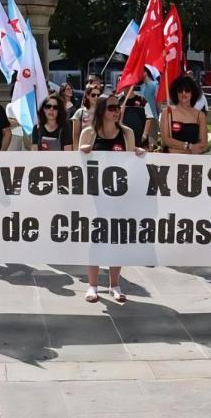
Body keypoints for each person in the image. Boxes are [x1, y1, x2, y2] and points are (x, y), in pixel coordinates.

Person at [78, 93, 147, 303]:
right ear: (101, 111)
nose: (116, 111)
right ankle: (92, 286)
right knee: (96, 240)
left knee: (117, 240)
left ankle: (114, 285)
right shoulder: (89, 133)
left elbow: (130, 164)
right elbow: (78, 166)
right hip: (95, 196)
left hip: (119, 196)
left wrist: (139, 154)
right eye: (111, 108)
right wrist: (84, 154)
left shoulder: (127, 133)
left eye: (117, 107)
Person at [160, 76, 208, 155]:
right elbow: (166, 140)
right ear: (176, 93)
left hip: (192, 162)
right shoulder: (167, 113)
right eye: (180, 90)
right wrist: (189, 147)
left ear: (192, 93)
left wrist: (182, 150)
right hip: (169, 161)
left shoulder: (200, 115)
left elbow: (203, 144)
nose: (183, 93)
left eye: (187, 90)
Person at [71, 84, 100, 150]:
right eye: (93, 95)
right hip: (83, 148)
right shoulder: (79, 113)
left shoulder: (104, 112)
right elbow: (75, 136)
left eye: (98, 95)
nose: (96, 97)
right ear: (87, 96)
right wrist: (76, 153)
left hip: (99, 149)